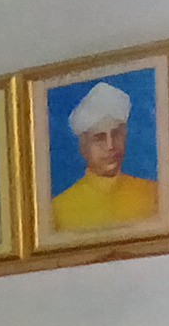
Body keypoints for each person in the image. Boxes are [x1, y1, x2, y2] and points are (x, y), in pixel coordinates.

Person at [49, 80, 160, 234]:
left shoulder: (154, 193)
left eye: (116, 134)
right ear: (83, 147)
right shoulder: (59, 209)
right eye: (99, 138)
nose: (110, 145)